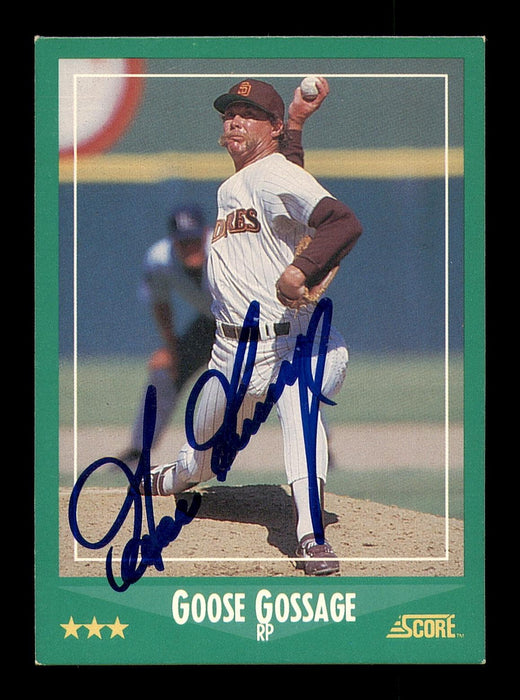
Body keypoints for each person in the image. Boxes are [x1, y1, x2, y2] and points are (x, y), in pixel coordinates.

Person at [138, 77, 362, 575]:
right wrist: (296, 124)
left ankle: (311, 536)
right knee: (200, 457)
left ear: (271, 128)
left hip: (295, 343)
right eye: (229, 113)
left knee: (299, 401)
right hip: (231, 355)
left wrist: (300, 270)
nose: (234, 120)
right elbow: (287, 189)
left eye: (249, 113)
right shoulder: (241, 184)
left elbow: (342, 222)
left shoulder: (269, 172)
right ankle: (175, 476)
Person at [120, 81, 331, 465]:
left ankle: (321, 448)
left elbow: (286, 188)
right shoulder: (160, 259)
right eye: (182, 243)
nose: (189, 250)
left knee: (293, 375)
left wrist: (297, 124)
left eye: (193, 241)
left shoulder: (228, 238)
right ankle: (139, 448)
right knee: (165, 372)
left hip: (262, 319)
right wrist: (170, 346)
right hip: (215, 323)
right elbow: (160, 303)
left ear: (205, 234)